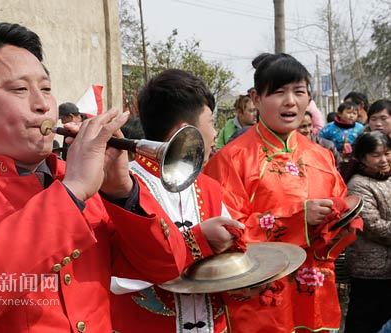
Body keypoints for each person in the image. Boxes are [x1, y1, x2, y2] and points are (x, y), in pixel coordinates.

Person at [0, 22, 194, 333]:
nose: (42, 104)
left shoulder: (80, 181)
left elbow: (165, 266)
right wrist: (72, 192)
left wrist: (122, 191)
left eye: (46, 88)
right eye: (19, 89)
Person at [204, 53, 362, 333]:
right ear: (255, 98)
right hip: (259, 302)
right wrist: (297, 219)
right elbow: (225, 234)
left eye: (299, 92)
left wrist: (343, 218)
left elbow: (342, 215)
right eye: (278, 92)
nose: (291, 101)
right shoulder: (231, 160)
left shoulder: (321, 156)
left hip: (314, 291)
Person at [110, 69, 244, 333]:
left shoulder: (210, 188)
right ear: (187, 131)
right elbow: (121, 275)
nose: (216, 133)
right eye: (212, 122)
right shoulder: (122, 189)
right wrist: (197, 241)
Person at [343, 132, 391, 333]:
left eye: (387, 153)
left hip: (388, 268)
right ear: (362, 158)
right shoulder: (358, 184)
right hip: (370, 268)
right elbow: (373, 226)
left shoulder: (387, 178)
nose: (384, 160)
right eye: (376, 155)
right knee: (364, 320)